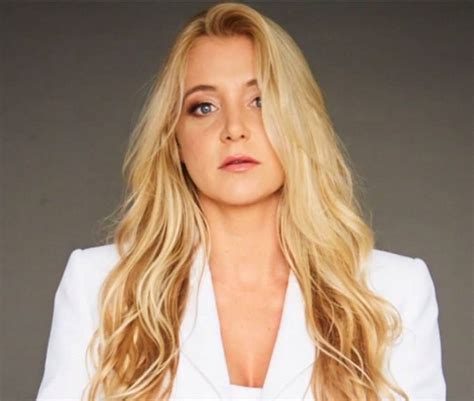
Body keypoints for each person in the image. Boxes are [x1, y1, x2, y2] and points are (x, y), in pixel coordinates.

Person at [35, 2, 446, 401]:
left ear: (299, 120)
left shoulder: (394, 292)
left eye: (260, 101)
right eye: (204, 107)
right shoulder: (98, 286)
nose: (234, 128)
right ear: (175, 140)